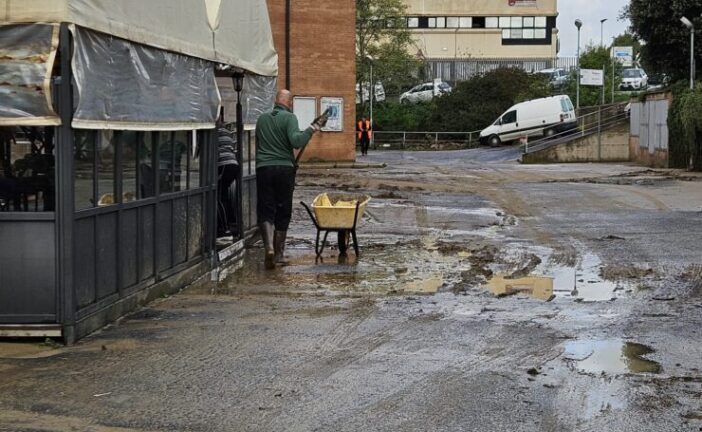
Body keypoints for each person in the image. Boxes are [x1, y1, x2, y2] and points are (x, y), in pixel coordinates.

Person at [255, 90, 324, 269]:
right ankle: (278, 254)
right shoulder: (290, 118)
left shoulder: (261, 119)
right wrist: (312, 128)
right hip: (284, 169)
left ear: (275, 100)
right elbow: (296, 141)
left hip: (263, 168)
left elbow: (259, 142)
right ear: (289, 103)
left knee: (266, 208)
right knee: (283, 209)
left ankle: (268, 248)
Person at [216, 114, 239, 237]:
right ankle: (231, 222)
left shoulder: (215, 131)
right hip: (233, 164)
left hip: (223, 165)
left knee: (218, 198)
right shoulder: (226, 130)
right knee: (224, 195)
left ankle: (224, 228)